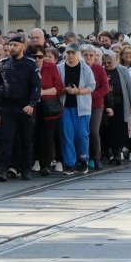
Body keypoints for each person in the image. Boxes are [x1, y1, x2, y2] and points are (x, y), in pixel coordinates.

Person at [0, 34, 41, 182]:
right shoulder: (3, 63)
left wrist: (32, 104)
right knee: (6, 139)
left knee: (26, 140)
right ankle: (2, 169)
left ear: (23, 47)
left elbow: (36, 86)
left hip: (25, 107)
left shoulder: (31, 64)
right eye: (10, 45)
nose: (12, 48)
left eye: (15, 45)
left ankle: (26, 169)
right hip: (8, 107)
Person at [58, 43, 95, 173]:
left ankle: (83, 159)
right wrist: (64, 90)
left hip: (82, 107)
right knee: (67, 135)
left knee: (82, 135)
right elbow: (56, 85)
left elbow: (91, 86)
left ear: (78, 54)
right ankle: (69, 163)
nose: (71, 55)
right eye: (68, 53)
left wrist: (78, 91)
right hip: (65, 106)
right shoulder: (60, 68)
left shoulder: (85, 68)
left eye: (73, 53)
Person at [102, 50, 131, 165]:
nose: (107, 65)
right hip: (106, 105)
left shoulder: (122, 70)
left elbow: (129, 88)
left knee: (119, 129)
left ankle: (117, 153)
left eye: (109, 62)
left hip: (120, 104)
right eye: (105, 62)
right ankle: (109, 153)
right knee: (107, 129)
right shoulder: (102, 70)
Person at [34, 47, 62, 175]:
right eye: (35, 56)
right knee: (35, 134)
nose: (37, 59)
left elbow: (59, 87)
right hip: (33, 106)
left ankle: (45, 164)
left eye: (40, 56)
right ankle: (35, 160)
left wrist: (43, 92)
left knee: (47, 136)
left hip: (49, 106)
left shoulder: (51, 67)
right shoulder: (29, 67)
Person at [83, 44, 110, 169]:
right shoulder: (80, 68)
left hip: (96, 105)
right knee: (82, 133)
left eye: (91, 55)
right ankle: (83, 157)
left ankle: (96, 157)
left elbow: (105, 88)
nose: (88, 57)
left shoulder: (99, 69)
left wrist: (91, 95)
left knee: (94, 131)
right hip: (81, 105)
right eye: (86, 55)